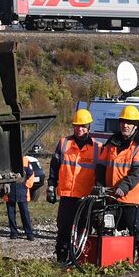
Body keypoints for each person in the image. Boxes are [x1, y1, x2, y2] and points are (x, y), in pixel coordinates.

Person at [98, 105, 139, 263]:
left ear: (135, 125)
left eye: (129, 122)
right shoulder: (112, 141)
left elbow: (138, 171)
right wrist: (100, 183)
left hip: (130, 197)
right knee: (107, 226)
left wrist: (124, 186)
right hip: (111, 195)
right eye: (122, 122)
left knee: (135, 228)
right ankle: (112, 257)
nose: (125, 125)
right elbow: (102, 165)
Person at [47, 108, 100, 263]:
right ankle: (62, 260)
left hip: (85, 198)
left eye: (83, 126)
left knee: (83, 230)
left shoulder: (97, 148)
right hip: (67, 196)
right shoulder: (64, 144)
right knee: (63, 229)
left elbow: (101, 173)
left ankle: (79, 260)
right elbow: (54, 167)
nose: (80, 129)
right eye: (77, 126)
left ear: (89, 126)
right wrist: (51, 186)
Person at [6, 145, 43, 240]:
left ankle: (29, 234)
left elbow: (31, 175)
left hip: (22, 190)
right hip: (9, 190)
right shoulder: (6, 160)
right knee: (11, 214)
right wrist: (4, 186)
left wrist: (26, 186)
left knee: (25, 213)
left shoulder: (25, 160)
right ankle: (13, 232)